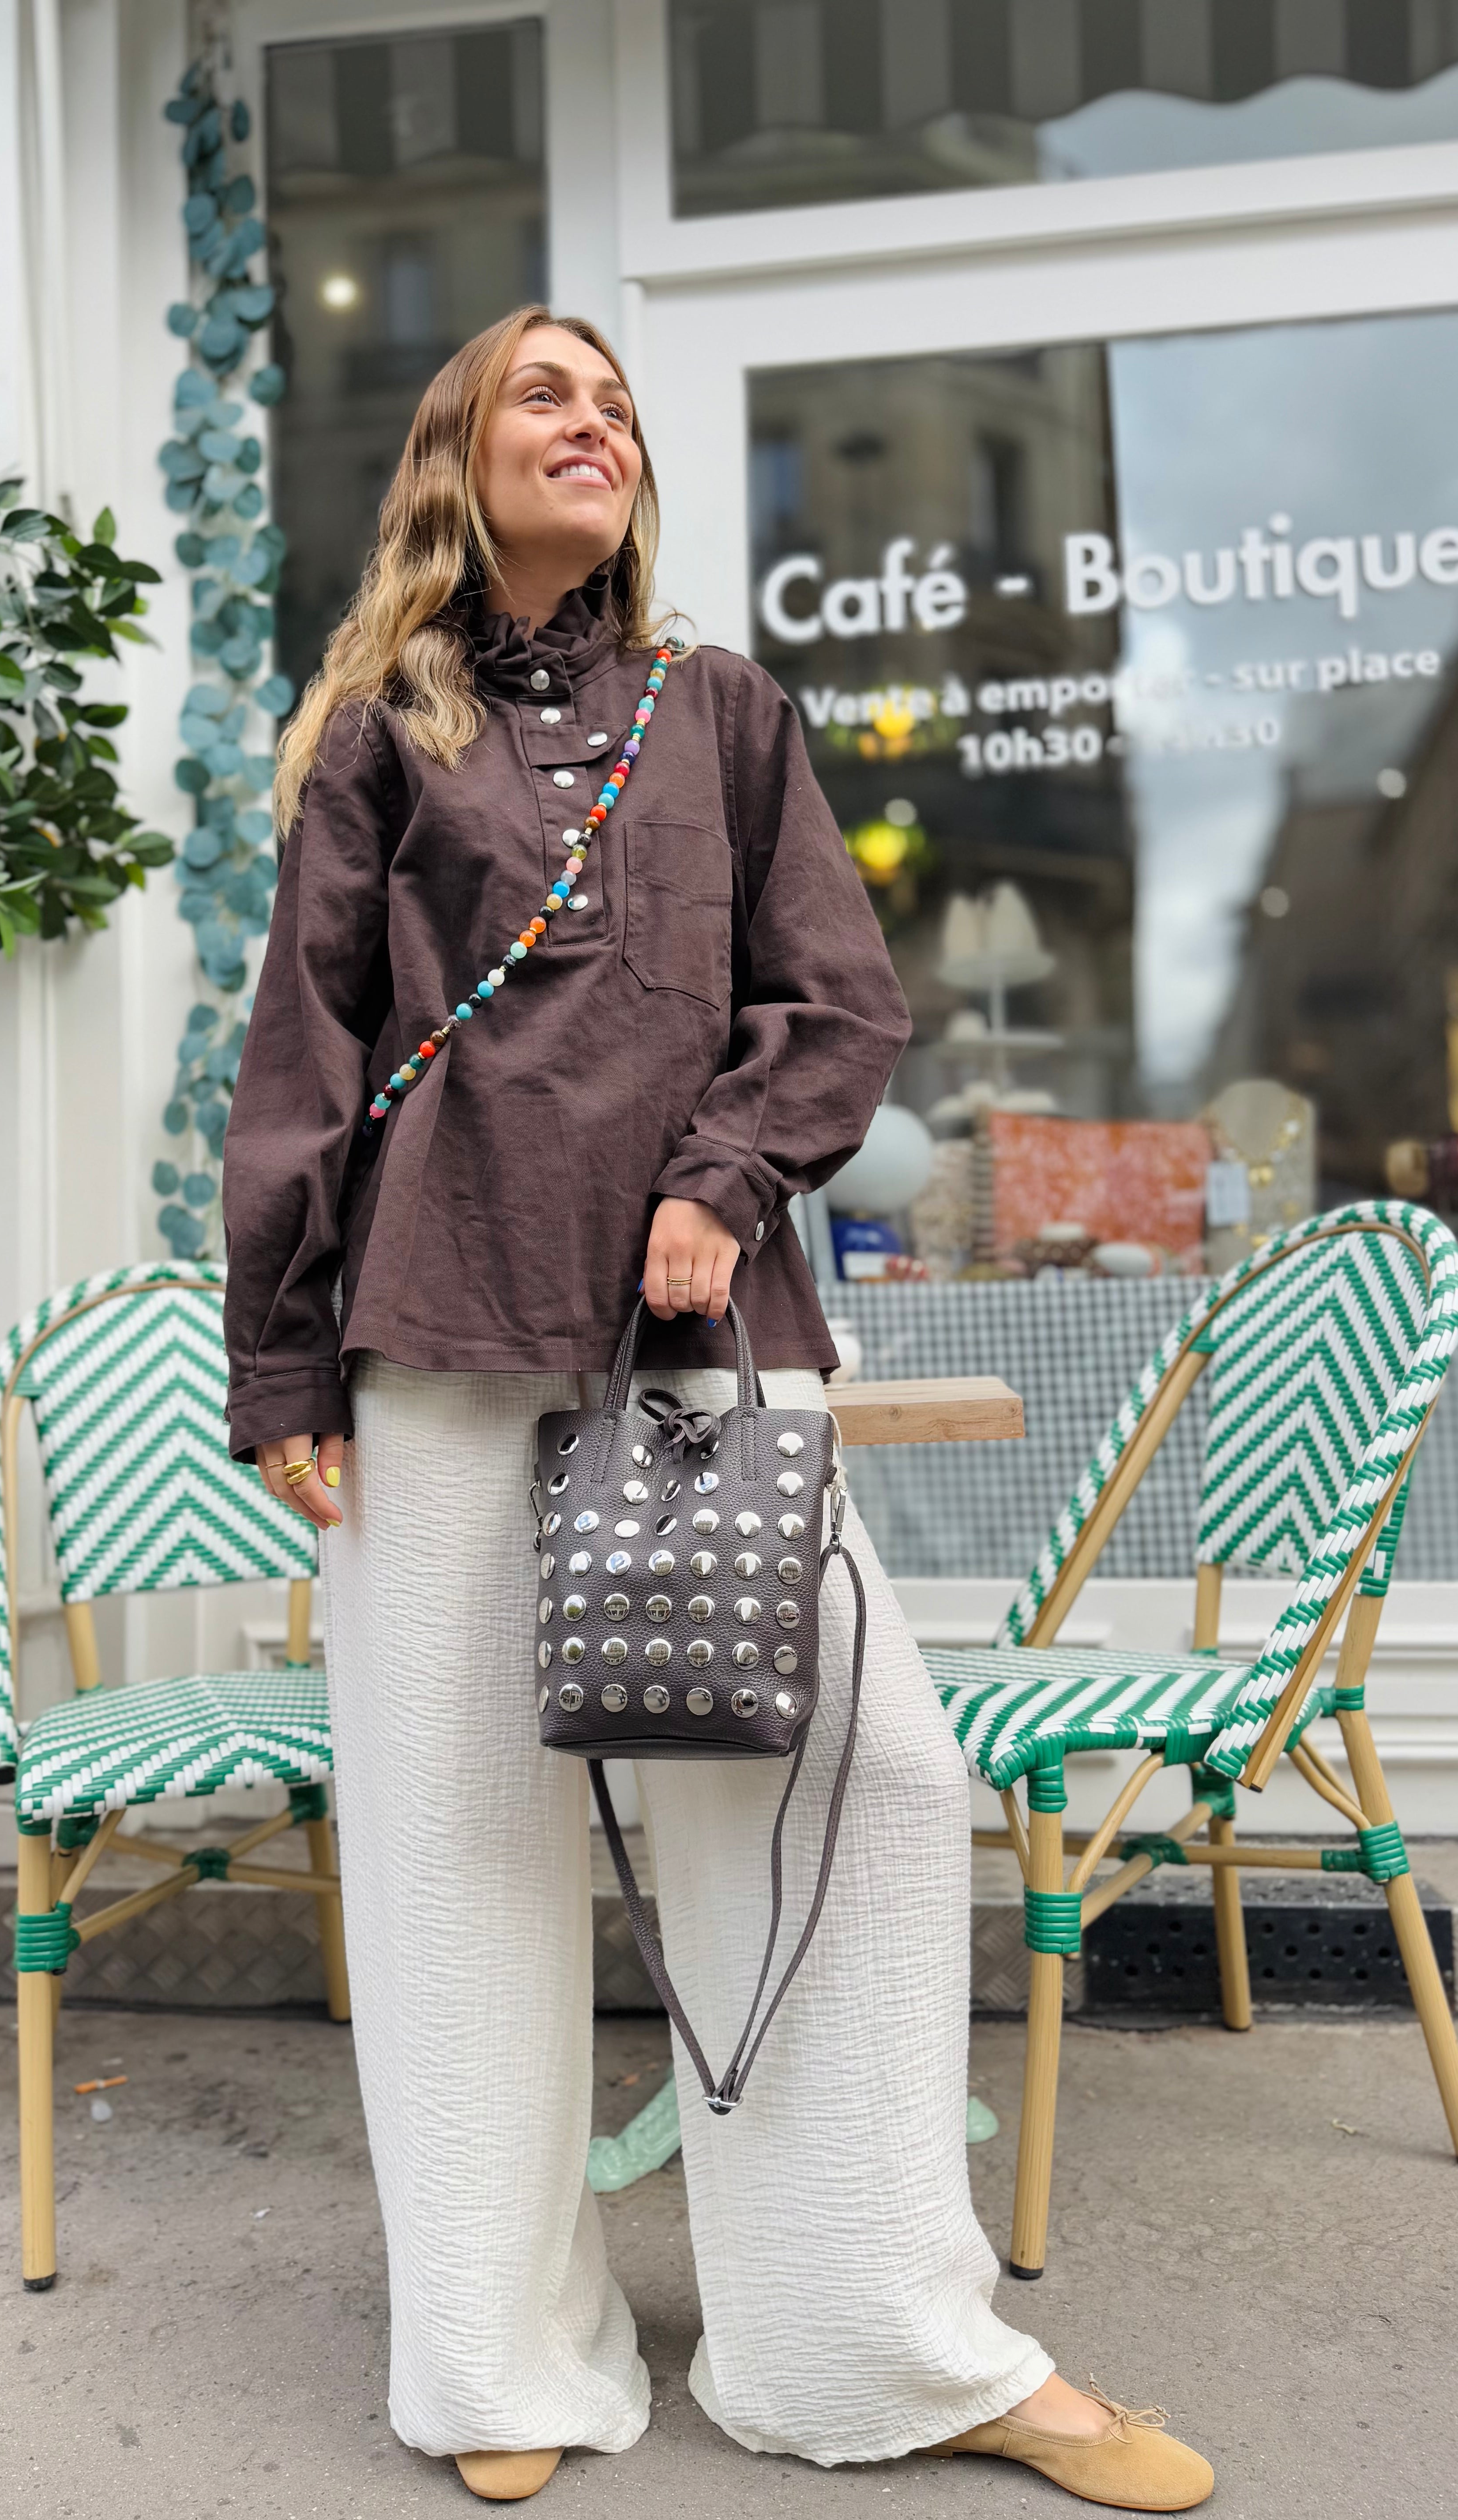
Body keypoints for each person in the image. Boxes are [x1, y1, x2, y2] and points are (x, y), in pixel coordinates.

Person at [221, 304, 1212, 2512]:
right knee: (457, 1836)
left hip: (702, 1332)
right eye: (543, 396)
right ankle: (498, 2352)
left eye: (616, 398)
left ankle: (880, 2338)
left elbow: (836, 1007)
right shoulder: (387, 733)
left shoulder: (730, 712)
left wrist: (722, 1176)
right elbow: (301, 1054)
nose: (597, 423)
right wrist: (277, 1356)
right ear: (457, 459)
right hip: (439, 1323)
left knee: (852, 1791)